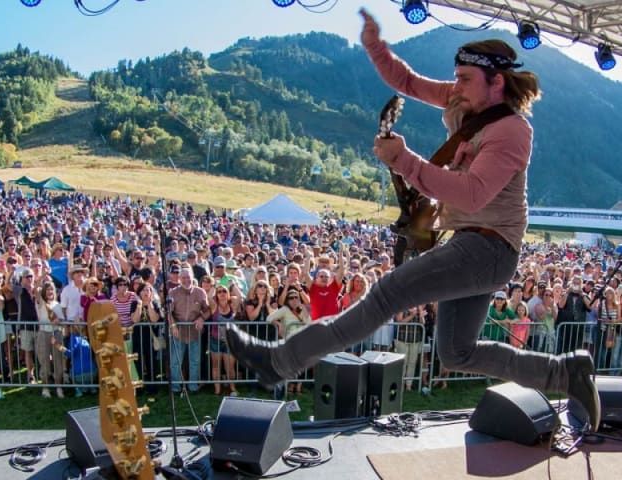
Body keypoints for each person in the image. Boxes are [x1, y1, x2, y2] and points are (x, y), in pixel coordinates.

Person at [227, 9, 600, 431]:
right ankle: (566, 372)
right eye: (455, 76)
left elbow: (471, 193)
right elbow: (407, 82)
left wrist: (404, 160)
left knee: (385, 296)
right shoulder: (468, 102)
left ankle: (278, 361)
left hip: (487, 247)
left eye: (464, 79)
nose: (454, 86)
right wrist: (374, 45)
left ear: (497, 83)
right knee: (456, 352)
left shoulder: (512, 131)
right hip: (475, 246)